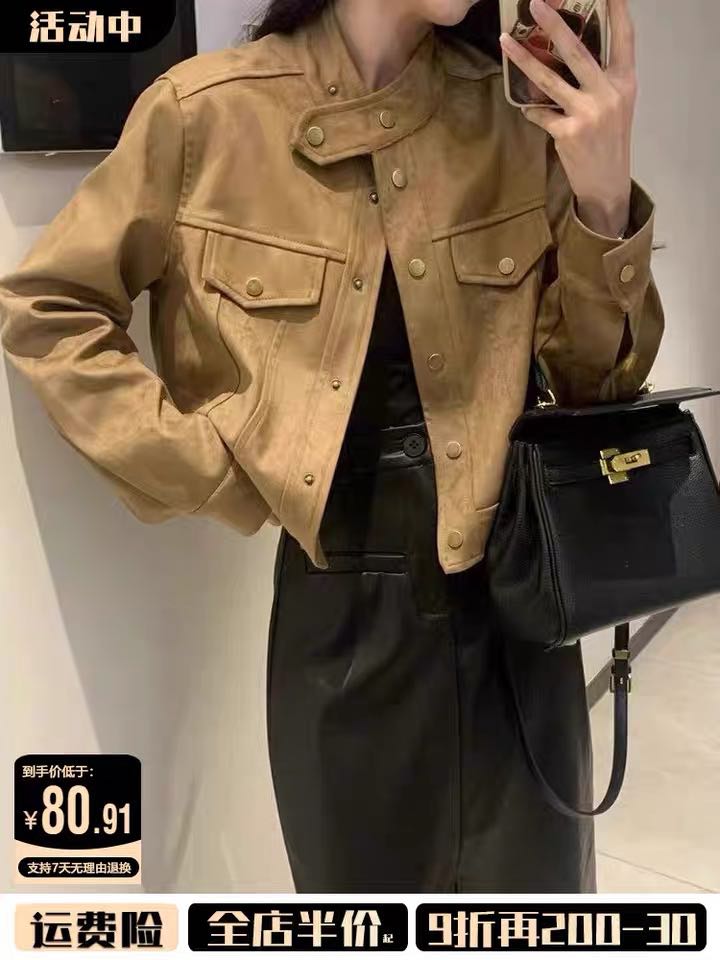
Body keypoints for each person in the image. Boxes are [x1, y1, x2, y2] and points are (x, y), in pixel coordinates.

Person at [0, 0, 664, 893]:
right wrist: (206, 467)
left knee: (537, 916)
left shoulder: (513, 119)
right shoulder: (208, 114)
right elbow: (48, 309)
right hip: (340, 617)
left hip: (517, 601)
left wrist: (604, 195)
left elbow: (596, 387)